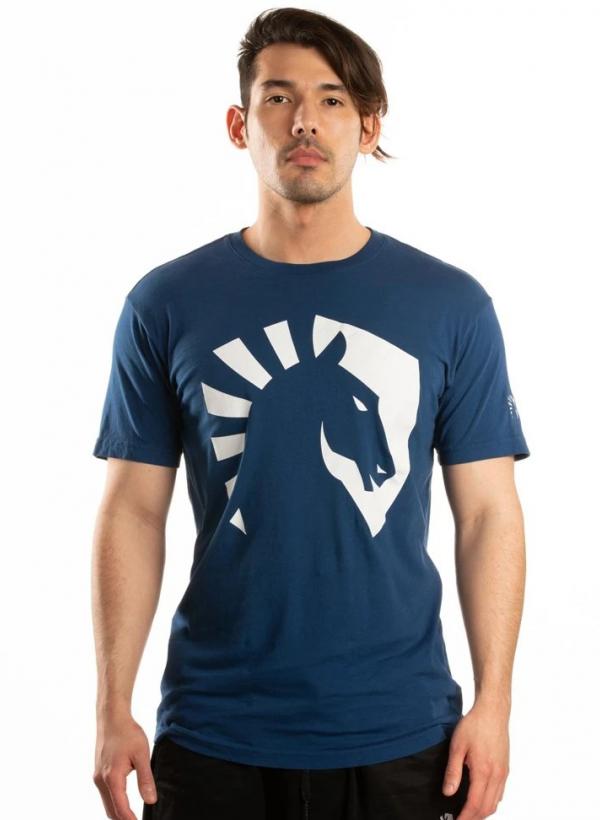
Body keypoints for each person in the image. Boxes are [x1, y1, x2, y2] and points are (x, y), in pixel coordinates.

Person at [91, 8, 530, 820]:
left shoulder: (451, 306)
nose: (305, 121)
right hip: (213, 732)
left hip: (403, 736)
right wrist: (111, 706)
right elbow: (132, 512)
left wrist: (495, 702)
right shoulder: (165, 304)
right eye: (279, 97)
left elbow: (487, 516)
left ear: (368, 128)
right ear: (240, 125)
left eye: (332, 100)